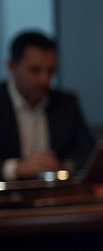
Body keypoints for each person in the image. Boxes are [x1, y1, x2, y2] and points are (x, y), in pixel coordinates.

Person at [1, 31, 95, 180]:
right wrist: (16, 168)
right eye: (35, 70)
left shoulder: (66, 103)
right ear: (12, 66)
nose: (44, 79)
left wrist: (62, 167)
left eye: (50, 70)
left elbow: (88, 153)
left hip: (58, 194)